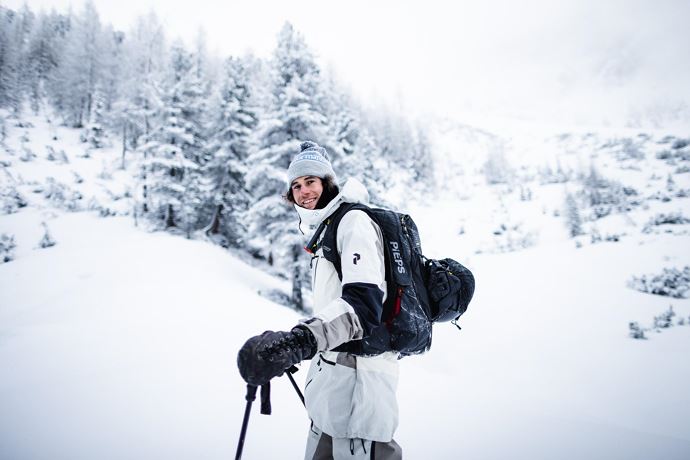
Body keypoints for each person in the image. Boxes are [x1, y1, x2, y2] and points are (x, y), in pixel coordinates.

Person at [238, 141, 403, 459]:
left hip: (360, 394)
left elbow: (363, 307)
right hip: (334, 393)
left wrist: (297, 342)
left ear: (327, 183)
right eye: (296, 185)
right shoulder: (327, 230)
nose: (303, 192)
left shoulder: (353, 223)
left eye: (310, 181)